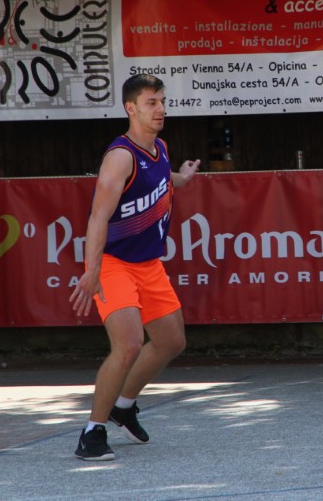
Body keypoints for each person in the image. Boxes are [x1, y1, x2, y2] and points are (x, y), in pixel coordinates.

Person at [70, 73, 201, 460]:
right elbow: (98, 217)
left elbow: (161, 178)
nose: (160, 109)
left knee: (171, 342)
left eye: (162, 101)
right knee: (128, 345)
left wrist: (182, 179)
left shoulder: (159, 148)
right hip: (114, 263)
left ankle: (123, 407)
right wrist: (92, 270)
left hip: (148, 264)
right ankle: (92, 433)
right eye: (151, 103)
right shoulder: (120, 157)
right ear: (131, 108)